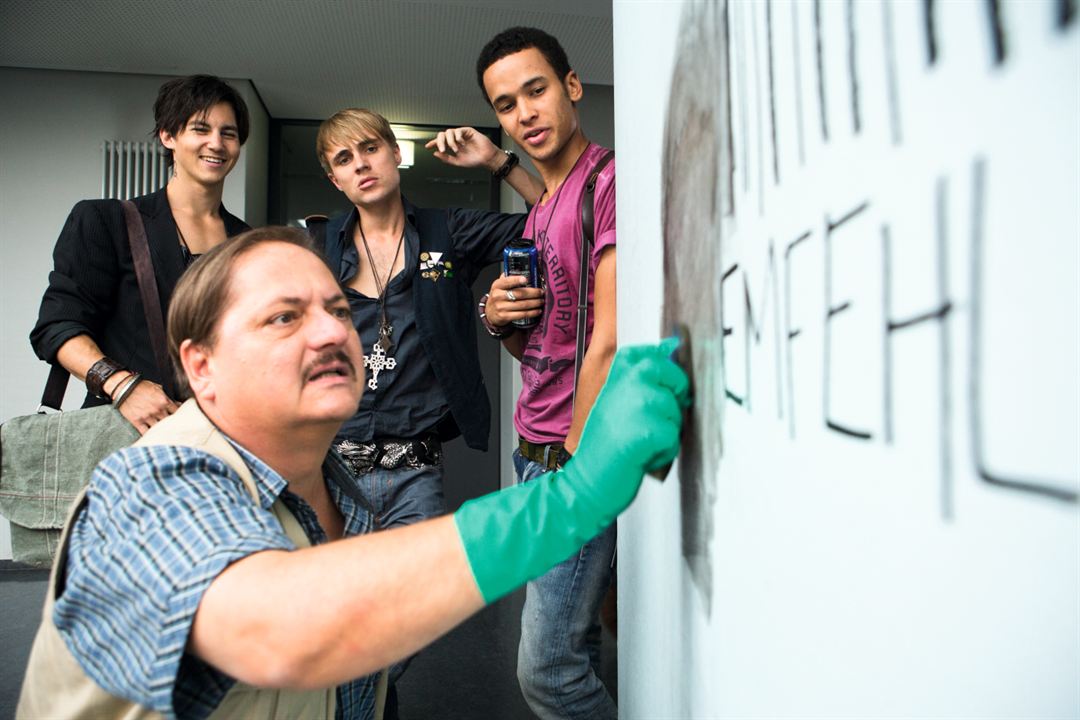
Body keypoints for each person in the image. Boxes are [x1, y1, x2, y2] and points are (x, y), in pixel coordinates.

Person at [16, 227, 688, 720]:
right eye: (285, 317)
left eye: (338, 310)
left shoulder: (337, 492)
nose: (332, 333)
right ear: (201, 367)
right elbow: (275, 630)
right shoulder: (150, 485)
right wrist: (572, 497)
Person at [460, 26, 620, 718]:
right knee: (580, 648)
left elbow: (610, 336)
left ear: (572, 87)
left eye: (536, 89)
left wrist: (576, 470)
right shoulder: (540, 212)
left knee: (549, 670)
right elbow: (541, 348)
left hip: (572, 457)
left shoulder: (610, 183)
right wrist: (500, 320)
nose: (525, 112)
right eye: (506, 103)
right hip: (534, 454)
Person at [30, 74, 251, 434]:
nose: (216, 143)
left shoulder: (248, 242)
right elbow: (57, 326)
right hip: (123, 431)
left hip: (219, 438)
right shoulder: (107, 220)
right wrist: (122, 385)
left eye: (228, 133)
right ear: (168, 135)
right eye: (200, 128)